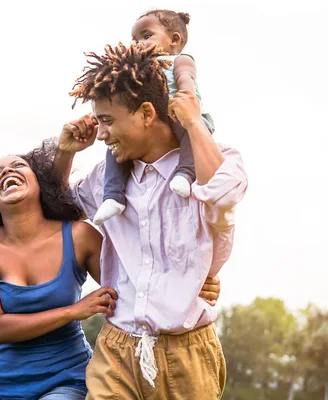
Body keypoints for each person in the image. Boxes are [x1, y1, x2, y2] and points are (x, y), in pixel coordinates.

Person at [0, 141, 222, 400]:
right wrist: (74, 311)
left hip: (67, 379)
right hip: (2, 384)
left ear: (40, 184)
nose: (7, 171)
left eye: (18, 166)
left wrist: (188, 284)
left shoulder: (79, 236)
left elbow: (135, 283)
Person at [56, 41, 247, 399]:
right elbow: (56, 209)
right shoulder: (104, 179)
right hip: (115, 349)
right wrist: (65, 153)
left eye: (108, 121)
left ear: (146, 113)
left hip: (187, 356)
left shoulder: (210, 165)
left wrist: (192, 121)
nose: (101, 134)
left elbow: (225, 194)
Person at [93, 9, 215, 225]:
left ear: (174, 40)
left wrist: (186, 97)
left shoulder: (179, 60)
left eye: (146, 36)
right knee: (114, 151)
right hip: (153, 119)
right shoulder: (138, 68)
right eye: (135, 39)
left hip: (182, 114)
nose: (138, 44)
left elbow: (185, 78)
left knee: (193, 136)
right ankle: (113, 196)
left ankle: (185, 174)